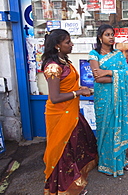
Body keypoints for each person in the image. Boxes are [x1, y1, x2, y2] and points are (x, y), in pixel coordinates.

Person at [41, 29, 97, 195]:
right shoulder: (53, 67)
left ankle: (76, 182)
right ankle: (64, 189)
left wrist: (80, 88)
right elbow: (55, 97)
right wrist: (78, 93)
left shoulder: (65, 62)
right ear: (58, 46)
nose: (71, 44)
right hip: (59, 115)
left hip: (71, 112)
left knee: (77, 147)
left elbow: (68, 86)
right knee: (62, 152)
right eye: (68, 42)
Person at [88, 24, 128, 177]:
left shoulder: (118, 54)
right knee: (105, 130)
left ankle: (120, 160)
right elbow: (97, 78)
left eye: (112, 34)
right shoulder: (94, 54)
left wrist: (108, 72)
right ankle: (106, 163)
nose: (111, 37)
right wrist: (115, 75)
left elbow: (127, 75)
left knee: (116, 126)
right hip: (103, 99)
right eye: (107, 34)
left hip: (117, 99)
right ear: (100, 37)